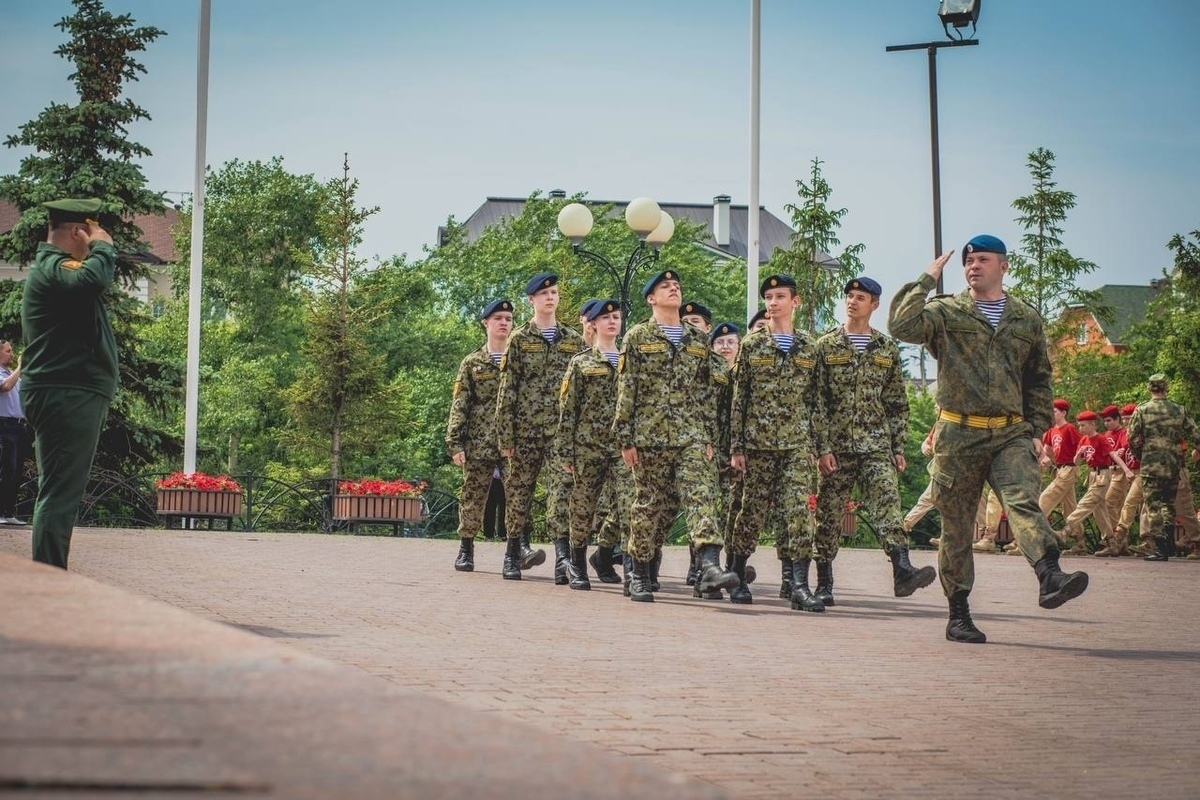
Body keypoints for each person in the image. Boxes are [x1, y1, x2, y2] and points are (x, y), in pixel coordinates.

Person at [888, 236, 1088, 644]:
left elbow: (1039, 378)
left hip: (1010, 433)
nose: (973, 266)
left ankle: (1049, 575)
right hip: (958, 434)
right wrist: (926, 279)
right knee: (958, 527)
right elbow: (901, 326)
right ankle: (958, 612)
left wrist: (1036, 431)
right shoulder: (945, 312)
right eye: (968, 261)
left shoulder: (1026, 319)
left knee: (1022, 502)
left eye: (982, 259)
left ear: (1004, 266)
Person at [613, 269, 739, 602]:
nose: (673, 289)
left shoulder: (697, 340)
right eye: (665, 286)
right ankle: (638, 571)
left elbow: (707, 393)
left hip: (692, 436)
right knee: (648, 505)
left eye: (677, 286)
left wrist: (710, 438)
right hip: (649, 436)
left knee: (702, 497)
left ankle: (709, 565)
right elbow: (627, 389)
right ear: (651, 298)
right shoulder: (637, 337)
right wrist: (625, 439)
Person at [814, 277, 934, 606]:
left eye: (860, 297)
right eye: (849, 296)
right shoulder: (825, 346)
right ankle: (824, 582)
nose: (852, 301)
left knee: (888, 504)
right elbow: (817, 402)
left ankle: (902, 569)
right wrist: (821, 448)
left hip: (876, 445)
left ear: (875, 304)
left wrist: (897, 447)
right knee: (828, 515)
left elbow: (896, 402)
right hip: (836, 448)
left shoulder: (886, 349)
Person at [21, 199, 118, 569]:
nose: (93, 242)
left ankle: (50, 575)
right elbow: (91, 279)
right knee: (60, 494)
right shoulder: (54, 267)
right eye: (91, 234)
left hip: (69, 390)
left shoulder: (57, 270)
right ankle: (49, 582)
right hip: (65, 392)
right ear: (80, 231)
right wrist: (105, 247)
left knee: (60, 491)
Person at [729, 274, 821, 609]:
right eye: (768, 297)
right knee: (749, 513)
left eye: (779, 296)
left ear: (795, 302)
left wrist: (820, 447)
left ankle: (799, 585)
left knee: (798, 512)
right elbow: (740, 398)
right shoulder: (753, 344)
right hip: (757, 444)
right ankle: (737, 575)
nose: (772, 303)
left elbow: (815, 402)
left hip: (796, 444)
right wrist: (736, 447)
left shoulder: (810, 346)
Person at [496, 273, 584, 580]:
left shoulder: (574, 341)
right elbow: (507, 390)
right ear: (532, 300)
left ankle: (562, 558)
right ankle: (511, 554)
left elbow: (580, 392)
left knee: (562, 494)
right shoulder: (519, 339)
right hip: (525, 433)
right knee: (519, 494)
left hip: (561, 435)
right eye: (544, 293)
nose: (550, 297)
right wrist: (505, 436)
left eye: (555, 292)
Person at [556, 299, 632, 590]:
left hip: (622, 447)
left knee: (628, 506)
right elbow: (568, 410)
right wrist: (566, 451)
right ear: (594, 324)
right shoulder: (581, 362)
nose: (612, 322)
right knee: (583, 508)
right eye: (606, 318)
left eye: (616, 317)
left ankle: (632, 571)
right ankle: (576, 563)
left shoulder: (630, 358)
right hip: (588, 447)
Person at [446, 299, 513, 572]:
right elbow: (460, 403)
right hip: (478, 443)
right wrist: (454, 442)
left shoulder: (518, 358)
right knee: (472, 497)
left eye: (508, 319)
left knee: (517, 498)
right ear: (485, 323)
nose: (504, 323)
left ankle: (513, 554)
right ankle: (466, 548)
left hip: (513, 444)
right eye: (498, 318)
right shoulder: (472, 363)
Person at [1125, 373, 1200, 562]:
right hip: (1173, 462)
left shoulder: (1142, 410)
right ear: (1166, 388)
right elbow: (1196, 435)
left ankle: (1160, 548)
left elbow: (1131, 438)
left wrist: (1140, 455)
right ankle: (1168, 544)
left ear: (1150, 388)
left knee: (1153, 506)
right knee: (1168, 504)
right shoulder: (1178, 409)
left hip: (1151, 463)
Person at [1058, 410, 1131, 555]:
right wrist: (1079, 453)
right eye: (1079, 425)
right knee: (1099, 510)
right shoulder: (1084, 440)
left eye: (1083, 425)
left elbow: (1113, 455)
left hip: (1103, 475)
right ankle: (1111, 543)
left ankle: (1065, 531)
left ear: (1092, 424)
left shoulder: (1101, 439)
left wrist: (1126, 470)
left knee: (1085, 504)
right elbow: (1076, 462)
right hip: (1092, 475)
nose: (1081, 429)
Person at [0, 341, 29, 526]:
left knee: (17, 471)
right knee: (5, 469)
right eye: (8, 351)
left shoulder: (11, 373)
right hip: (4, 426)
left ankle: (9, 512)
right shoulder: (7, 375)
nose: (11, 354)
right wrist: (20, 367)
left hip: (19, 427)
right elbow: (5, 387)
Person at [1038, 399, 1081, 523]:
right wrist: (1048, 459)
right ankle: (1078, 538)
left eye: (1055, 411)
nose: (1051, 414)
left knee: (1047, 496)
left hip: (1069, 468)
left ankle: (1033, 528)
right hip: (1059, 469)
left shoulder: (1069, 429)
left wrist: (1077, 459)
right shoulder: (1052, 430)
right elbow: (1047, 448)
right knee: (1069, 506)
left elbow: (1082, 445)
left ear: (1063, 413)